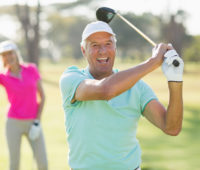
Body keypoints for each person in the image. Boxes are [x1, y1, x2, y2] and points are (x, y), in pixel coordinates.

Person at [59, 21, 184, 170]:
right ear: (83, 50)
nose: (103, 51)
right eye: (94, 45)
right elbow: (106, 90)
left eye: (108, 43)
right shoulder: (71, 78)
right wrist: (153, 62)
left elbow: (171, 127)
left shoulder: (137, 87)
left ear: (115, 47)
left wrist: (175, 80)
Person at [0, 40, 48, 170]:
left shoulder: (31, 69)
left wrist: (37, 121)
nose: (8, 57)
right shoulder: (3, 76)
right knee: (14, 164)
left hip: (33, 122)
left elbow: (42, 96)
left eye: (10, 53)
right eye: (4, 54)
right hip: (13, 123)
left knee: (43, 163)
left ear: (16, 53)